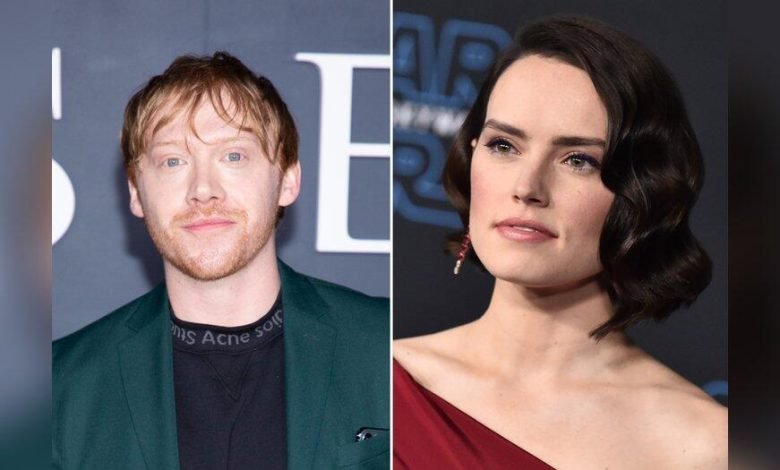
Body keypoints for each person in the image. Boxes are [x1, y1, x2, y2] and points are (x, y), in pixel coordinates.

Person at [393, 17, 726, 469]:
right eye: (504, 145)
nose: (527, 187)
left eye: (578, 160)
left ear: (643, 191)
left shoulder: (705, 445)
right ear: (470, 157)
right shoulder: (378, 379)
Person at [52, 52, 389, 469]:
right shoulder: (61, 387)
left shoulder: (387, 349)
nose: (203, 189)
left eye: (233, 156)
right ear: (136, 193)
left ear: (288, 179)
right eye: (173, 161)